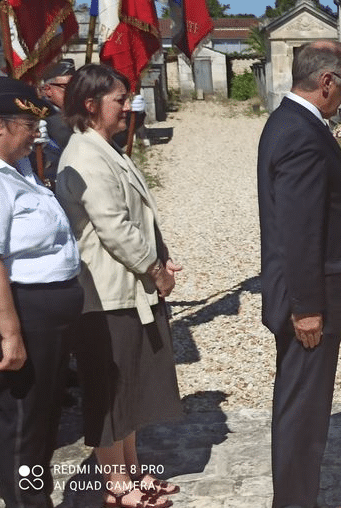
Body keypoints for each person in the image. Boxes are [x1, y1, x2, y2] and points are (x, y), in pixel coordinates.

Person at [55, 64, 182, 508]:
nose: (129, 106)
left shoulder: (105, 148)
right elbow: (114, 228)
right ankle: (116, 484)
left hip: (127, 291)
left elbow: (138, 218)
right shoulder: (85, 155)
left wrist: (161, 255)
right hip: (104, 295)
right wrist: (155, 270)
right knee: (108, 392)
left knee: (129, 387)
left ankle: (131, 470)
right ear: (91, 105)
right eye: (120, 99)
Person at [257, 40, 341, 508]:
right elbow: (299, 230)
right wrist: (306, 308)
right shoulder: (300, 134)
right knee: (302, 415)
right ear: (326, 81)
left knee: (304, 408)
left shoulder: (291, 123)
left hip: (312, 298)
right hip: (309, 305)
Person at [0, 76, 84, 508]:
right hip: (26, 313)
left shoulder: (22, 171)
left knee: (45, 418)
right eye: (28, 125)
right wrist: (10, 333)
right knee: (25, 424)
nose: (36, 134)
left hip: (49, 316)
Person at [31, 58, 75, 188]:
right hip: (54, 184)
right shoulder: (46, 116)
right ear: (48, 90)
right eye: (67, 87)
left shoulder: (73, 112)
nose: (74, 91)